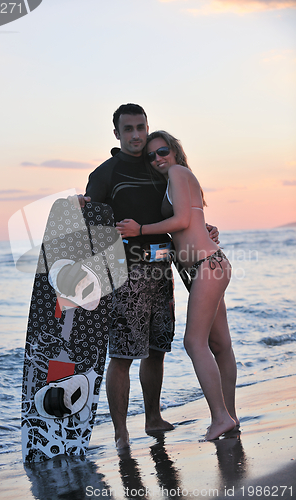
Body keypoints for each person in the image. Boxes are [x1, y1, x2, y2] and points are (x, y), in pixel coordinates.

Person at [77, 105, 219, 448]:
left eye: (141, 127)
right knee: (123, 355)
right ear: (117, 134)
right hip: (125, 275)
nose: (136, 135)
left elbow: (179, 212)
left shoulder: (159, 169)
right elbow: (91, 225)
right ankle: (121, 432)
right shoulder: (106, 173)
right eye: (128, 129)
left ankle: (153, 418)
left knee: (158, 349)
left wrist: (203, 228)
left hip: (162, 268)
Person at [117, 130, 239, 440]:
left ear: (174, 151)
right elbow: (191, 224)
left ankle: (221, 418)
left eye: (162, 152)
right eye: (151, 156)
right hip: (202, 267)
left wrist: (139, 228)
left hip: (206, 266)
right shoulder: (175, 179)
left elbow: (183, 220)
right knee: (219, 345)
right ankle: (229, 416)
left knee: (193, 343)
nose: (157, 158)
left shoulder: (178, 171)